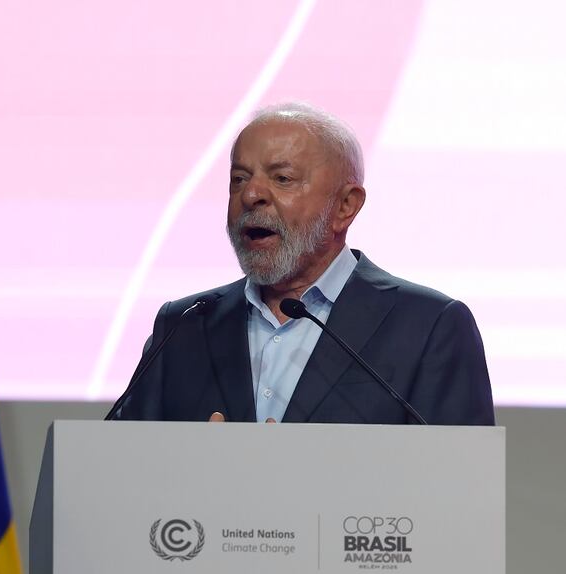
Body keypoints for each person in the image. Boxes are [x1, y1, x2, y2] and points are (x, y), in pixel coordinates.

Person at [115, 102, 494, 425]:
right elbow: (122, 466)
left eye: (282, 178)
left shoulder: (429, 326)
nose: (251, 194)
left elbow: (461, 485)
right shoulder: (184, 324)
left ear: (345, 207)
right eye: (238, 178)